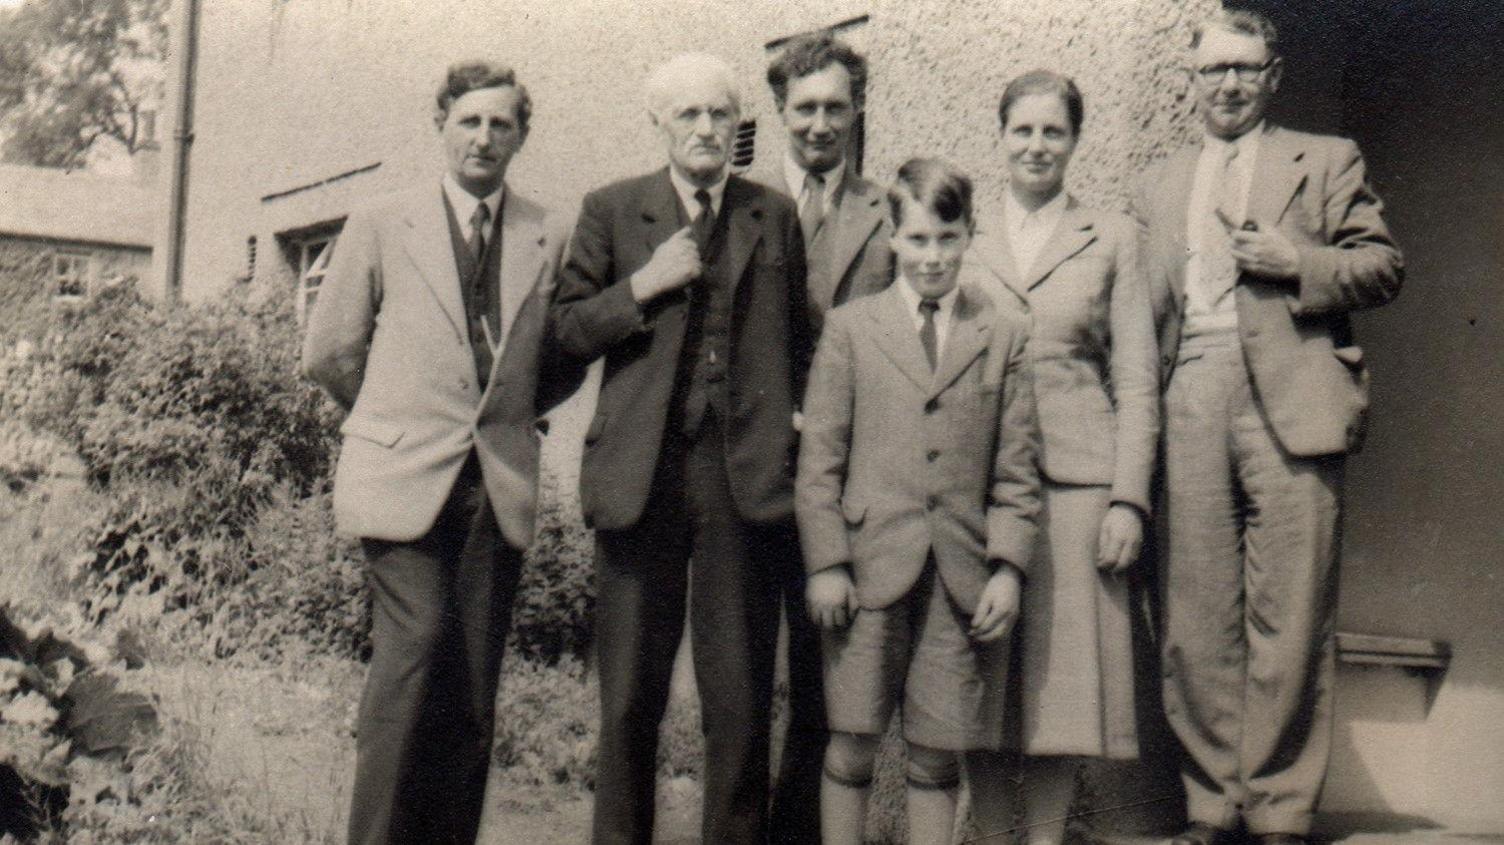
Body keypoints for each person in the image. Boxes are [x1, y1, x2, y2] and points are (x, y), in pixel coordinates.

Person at [1135, 11, 1403, 845]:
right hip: (1190, 390)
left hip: (1292, 394)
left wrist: (1301, 264)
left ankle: (1281, 807)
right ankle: (1214, 804)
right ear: (1190, 82)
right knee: (1193, 611)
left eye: (1246, 68)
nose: (1229, 84)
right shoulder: (1157, 181)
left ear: (1272, 75)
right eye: (1213, 70)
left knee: (1291, 610)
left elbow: (1383, 263)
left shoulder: (1324, 157)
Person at [302, 60, 583, 845]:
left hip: (495, 483)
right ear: (441, 124)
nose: (484, 137)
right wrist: (393, 417)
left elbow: (561, 356)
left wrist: (504, 417)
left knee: (471, 691)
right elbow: (330, 350)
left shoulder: (548, 231)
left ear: (522, 135)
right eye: (469, 120)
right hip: (398, 478)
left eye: (501, 123)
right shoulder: (384, 220)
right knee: (416, 647)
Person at [549, 53, 810, 845]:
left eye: (720, 115)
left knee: (737, 699)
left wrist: (795, 424)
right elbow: (565, 332)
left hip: (743, 479)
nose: (706, 128)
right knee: (630, 695)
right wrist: (644, 285)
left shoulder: (773, 214)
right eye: (688, 115)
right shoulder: (613, 210)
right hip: (642, 475)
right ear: (656, 124)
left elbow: (799, 339)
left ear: (738, 126)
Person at [795, 157, 1040, 845]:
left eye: (948, 238)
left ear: (969, 238)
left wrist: (1008, 567)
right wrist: (828, 563)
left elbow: (1017, 471)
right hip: (867, 570)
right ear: (894, 240)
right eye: (919, 239)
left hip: (958, 577)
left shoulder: (1003, 333)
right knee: (852, 741)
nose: (933, 256)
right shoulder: (851, 328)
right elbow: (820, 462)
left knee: (936, 754)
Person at [963, 68, 1159, 845]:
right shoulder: (965, 231)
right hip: (976, 486)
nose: (1037, 145)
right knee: (978, 679)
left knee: (1058, 691)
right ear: (1001, 135)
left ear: (1075, 141)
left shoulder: (1111, 236)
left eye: (1054, 131)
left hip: (1078, 486)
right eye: (1023, 129)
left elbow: (1138, 378)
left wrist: (1128, 498)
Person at [761, 32, 895, 842]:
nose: (820, 124)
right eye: (804, 107)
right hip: (754, 468)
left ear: (857, 112)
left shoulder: (887, 213)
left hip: (845, 478)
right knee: (742, 681)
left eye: (835, 107)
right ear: (780, 110)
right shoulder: (739, 202)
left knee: (824, 680)